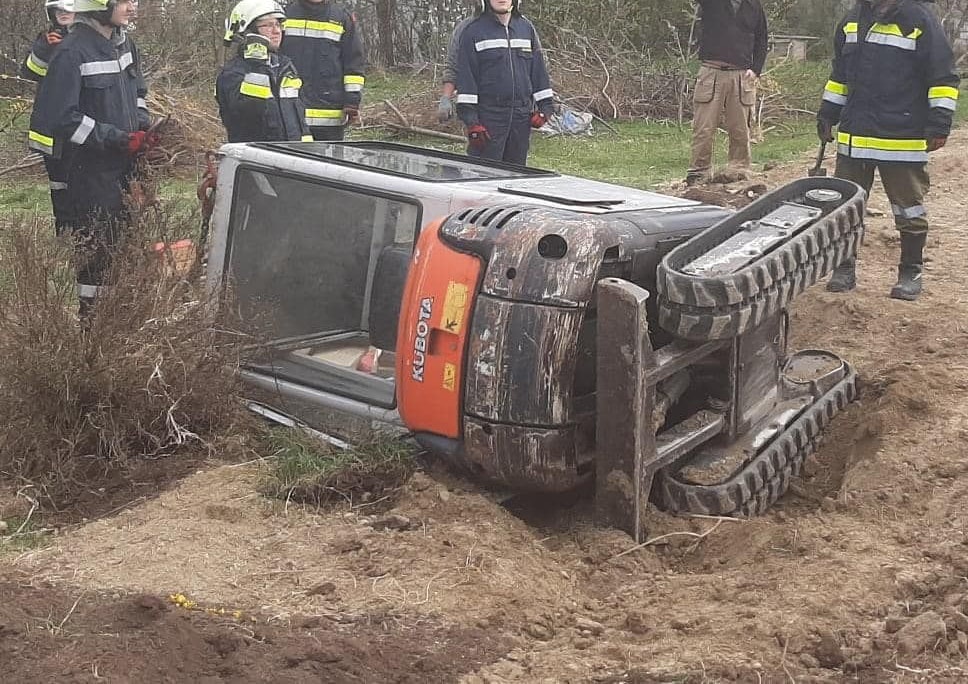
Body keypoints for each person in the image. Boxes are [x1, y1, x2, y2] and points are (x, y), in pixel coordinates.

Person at [819, 0, 959, 301]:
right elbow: (840, 75)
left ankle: (911, 271)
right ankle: (844, 268)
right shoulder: (852, 20)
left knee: (909, 209)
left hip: (902, 139)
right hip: (855, 138)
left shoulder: (919, 19)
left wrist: (940, 122)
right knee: (846, 208)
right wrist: (828, 112)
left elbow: (943, 78)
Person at [27, 0, 154, 315]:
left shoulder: (124, 44)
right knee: (98, 258)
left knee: (125, 250)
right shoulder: (71, 53)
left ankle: (120, 327)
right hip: (87, 175)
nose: (132, 6)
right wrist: (116, 139)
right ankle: (93, 329)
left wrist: (142, 125)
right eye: (124, 1)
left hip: (123, 169)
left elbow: (138, 90)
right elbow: (61, 117)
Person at [455, 0, 554, 165]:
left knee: (516, 174)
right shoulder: (473, 32)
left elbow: (538, 72)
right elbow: (466, 80)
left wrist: (545, 108)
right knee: (484, 173)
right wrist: (472, 121)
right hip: (489, 118)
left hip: (521, 116)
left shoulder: (525, 28)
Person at [685, 0, 768, 186]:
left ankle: (738, 173)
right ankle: (698, 173)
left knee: (740, 130)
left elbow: (762, 39)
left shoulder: (754, 5)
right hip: (711, 73)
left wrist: (756, 69)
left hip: (741, 76)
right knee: (704, 128)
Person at [218, 0, 312, 143]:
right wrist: (257, 65)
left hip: (293, 157)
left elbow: (300, 121)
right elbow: (244, 119)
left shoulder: (286, 68)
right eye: (268, 25)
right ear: (248, 31)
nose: (277, 31)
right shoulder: (233, 74)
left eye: (278, 24)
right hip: (257, 160)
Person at [22, 0, 76, 234]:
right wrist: (44, 49)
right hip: (52, 131)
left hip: (78, 124)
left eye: (69, 9)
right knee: (59, 185)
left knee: (83, 184)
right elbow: (30, 72)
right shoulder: (46, 39)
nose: (63, 13)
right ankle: (64, 235)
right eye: (59, 10)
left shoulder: (89, 40)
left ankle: (85, 235)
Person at [281, 0, 365, 141]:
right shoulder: (284, 15)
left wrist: (352, 102)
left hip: (329, 116)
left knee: (328, 161)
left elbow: (353, 62)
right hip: (290, 112)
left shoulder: (341, 18)